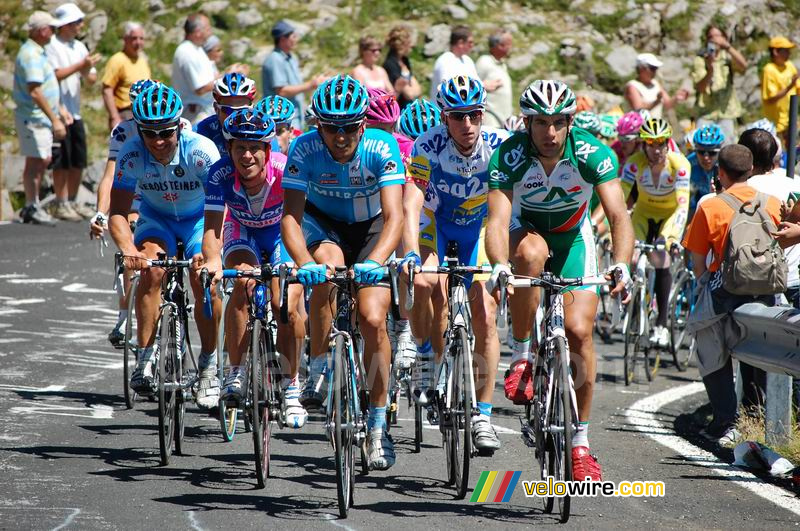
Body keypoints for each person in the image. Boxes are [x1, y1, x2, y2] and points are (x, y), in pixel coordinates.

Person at [485, 80, 634, 481]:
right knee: (529, 255)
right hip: (526, 232)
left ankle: (581, 443)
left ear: (570, 122)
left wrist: (621, 264)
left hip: (573, 240)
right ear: (526, 123)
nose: (548, 133)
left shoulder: (591, 152)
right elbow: (497, 220)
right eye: (539, 123)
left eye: (557, 123)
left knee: (579, 332)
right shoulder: (509, 155)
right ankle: (520, 357)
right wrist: (500, 264)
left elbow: (619, 215)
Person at [280, 75, 406, 470]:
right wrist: (305, 264)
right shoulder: (304, 147)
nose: (340, 135)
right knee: (326, 267)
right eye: (331, 126)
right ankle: (318, 363)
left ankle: (378, 424)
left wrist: (376, 260)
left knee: (371, 317)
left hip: (371, 229)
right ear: (319, 125)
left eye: (349, 126)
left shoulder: (381, 146)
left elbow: (395, 216)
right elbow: (290, 218)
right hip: (324, 226)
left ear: (363, 124)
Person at [404, 75, 510, 453]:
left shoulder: (497, 144)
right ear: (443, 116)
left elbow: (503, 207)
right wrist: (411, 255)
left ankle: (482, 414)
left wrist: (501, 260)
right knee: (423, 284)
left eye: (474, 115)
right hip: (437, 223)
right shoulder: (427, 144)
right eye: (457, 116)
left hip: (478, 230)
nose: (467, 125)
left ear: (483, 114)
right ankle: (423, 356)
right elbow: (412, 204)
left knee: (486, 312)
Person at [108, 84, 222, 408]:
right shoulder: (131, 154)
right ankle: (145, 357)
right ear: (140, 130)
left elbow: (218, 212)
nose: (158, 141)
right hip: (157, 219)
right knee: (151, 271)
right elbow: (118, 212)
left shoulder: (202, 152)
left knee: (206, 283)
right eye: (150, 133)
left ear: (178, 126)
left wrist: (210, 253)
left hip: (199, 219)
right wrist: (129, 248)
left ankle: (209, 366)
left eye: (165, 132)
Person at [201, 109, 308, 427]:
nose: (246, 155)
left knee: (284, 303)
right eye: (239, 148)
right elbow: (212, 230)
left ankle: (291, 387)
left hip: (280, 233)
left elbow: (297, 220)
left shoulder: (284, 169)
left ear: (267, 149)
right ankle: (235, 373)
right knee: (244, 285)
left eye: (254, 148)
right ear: (230, 149)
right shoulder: (219, 173)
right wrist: (212, 261)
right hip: (242, 231)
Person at [683, 144, 784, 446]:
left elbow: (699, 261)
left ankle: (726, 420)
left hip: (725, 291)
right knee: (764, 354)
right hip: (766, 290)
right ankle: (761, 416)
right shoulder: (773, 203)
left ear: (721, 172)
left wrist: (705, 284)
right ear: (751, 170)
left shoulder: (710, 206)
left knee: (708, 344)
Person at [90, 79, 191, 347]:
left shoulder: (180, 129)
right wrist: (101, 213)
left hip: (166, 193)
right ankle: (124, 315)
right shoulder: (122, 133)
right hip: (134, 193)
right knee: (135, 251)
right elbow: (110, 175)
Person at [621, 118, 691, 348]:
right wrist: (617, 232)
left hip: (668, 217)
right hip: (642, 214)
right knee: (629, 256)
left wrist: (672, 238)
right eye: (651, 143)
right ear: (644, 145)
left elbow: (682, 205)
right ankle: (632, 306)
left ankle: (661, 324)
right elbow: (621, 200)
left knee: (661, 259)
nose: (657, 149)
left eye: (662, 142)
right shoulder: (634, 163)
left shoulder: (679, 164)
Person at [364, 88, 416, 370]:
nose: (386, 135)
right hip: (364, 215)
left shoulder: (405, 146)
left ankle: (405, 326)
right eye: (377, 129)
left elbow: (409, 199)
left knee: (403, 245)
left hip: (393, 212)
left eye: (390, 128)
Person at [45, 2, 101, 222]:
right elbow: (54, 75)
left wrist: (86, 69)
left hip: (75, 110)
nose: (81, 25)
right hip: (58, 109)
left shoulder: (79, 47)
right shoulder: (52, 45)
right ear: (66, 24)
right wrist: (81, 66)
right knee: (62, 160)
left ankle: (73, 200)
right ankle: (60, 201)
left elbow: (91, 78)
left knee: (78, 158)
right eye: (77, 21)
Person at [13, 11, 65, 226]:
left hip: (38, 117)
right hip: (33, 117)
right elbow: (35, 91)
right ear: (42, 30)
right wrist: (55, 119)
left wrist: (59, 110)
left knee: (41, 159)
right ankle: (31, 205)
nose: (53, 32)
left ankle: (31, 204)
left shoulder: (37, 52)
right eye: (51, 28)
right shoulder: (31, 55)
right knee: (36, 161)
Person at [172, 14, 245, 125]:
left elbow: (209, 79)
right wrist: (227, 76)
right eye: (208, 29)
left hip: (203, 110)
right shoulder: (187, 52)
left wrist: (226, 74)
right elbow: (200, 88)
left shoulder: (196, 49)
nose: (210, 33)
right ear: (197, 32)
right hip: (196, 114)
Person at [261, 20, 325, 130]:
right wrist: (310, 85)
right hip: (280, 120)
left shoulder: (292, 58)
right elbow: (281, 91)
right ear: (282, 39)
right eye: (293, 36)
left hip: (295, 116)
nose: (296, 39)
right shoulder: (275, 59)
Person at [691, 24, 747, 144]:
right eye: (711, 37)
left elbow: (743, 65)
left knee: (728, 149)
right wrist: (710, 69)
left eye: (718, 36)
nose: (715, 39)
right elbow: (700, 88)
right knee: (703, 148)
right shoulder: (701, 59)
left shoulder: (727, 57)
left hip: (726, 111)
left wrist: (727, 46)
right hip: (706, 113)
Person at [101, 21, 149, 131]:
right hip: (125, 114)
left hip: (143, 113)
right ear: (126, 39)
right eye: (134, 38)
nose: (138, 42)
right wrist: (114, 117)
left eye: (141, 38)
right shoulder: (117, 60)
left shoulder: (142, 60)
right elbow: (107, 89)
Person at [194, 72, 257, 155]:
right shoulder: (201, 131)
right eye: (228, 110)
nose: (235, 116)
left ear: (252, 109)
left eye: (242, 110)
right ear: (216, 109)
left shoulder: (262, 128)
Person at [761, 36, 800, 146]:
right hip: (775, 125)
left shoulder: (789, 66)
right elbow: (770, 98)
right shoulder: (769, 69)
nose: (789, 53)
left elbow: (797, 89)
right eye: (785, 50)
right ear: (775, 52)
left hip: (790, 122)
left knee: (792, 155)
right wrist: (789, 86)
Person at [624, 53, 686, 119]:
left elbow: (668, 104)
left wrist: (676, 97)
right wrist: (657, 101)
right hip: (639, 128)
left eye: (656, 68)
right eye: (652, 68)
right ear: (641, 68)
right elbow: (639, 110)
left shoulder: (655, 84)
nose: (655, 72)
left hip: (655, 127)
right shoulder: (632, 86)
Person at [475, 30, 513, 128]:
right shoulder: (484, 62)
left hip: (503, 121)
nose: (510, 47)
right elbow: (473, 85)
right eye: (508, 44)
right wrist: (482, 85)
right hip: (490, 120)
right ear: (498, 45)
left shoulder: (502, 65)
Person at [430, 25, 478, 101]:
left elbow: (477, 83)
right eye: (470, 42)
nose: (472, 45)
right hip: (444, 110)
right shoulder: (445, 60)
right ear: (460, 43)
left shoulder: (468, 60)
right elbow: (448, 88)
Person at [687, 124, 725, 218]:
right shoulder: (688, 163)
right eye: (701, 152)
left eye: (712, 153)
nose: (706, 157)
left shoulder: (725, 164)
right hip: (697, 204)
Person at [382, 25, 421, 108]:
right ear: (402, 44)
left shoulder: (405, 60)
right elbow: (408, 94)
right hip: (398, 108)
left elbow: (418, 89)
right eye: (409, 42)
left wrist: (414, 90)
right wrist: (414, 90)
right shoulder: (390, 64)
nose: (411, 46)